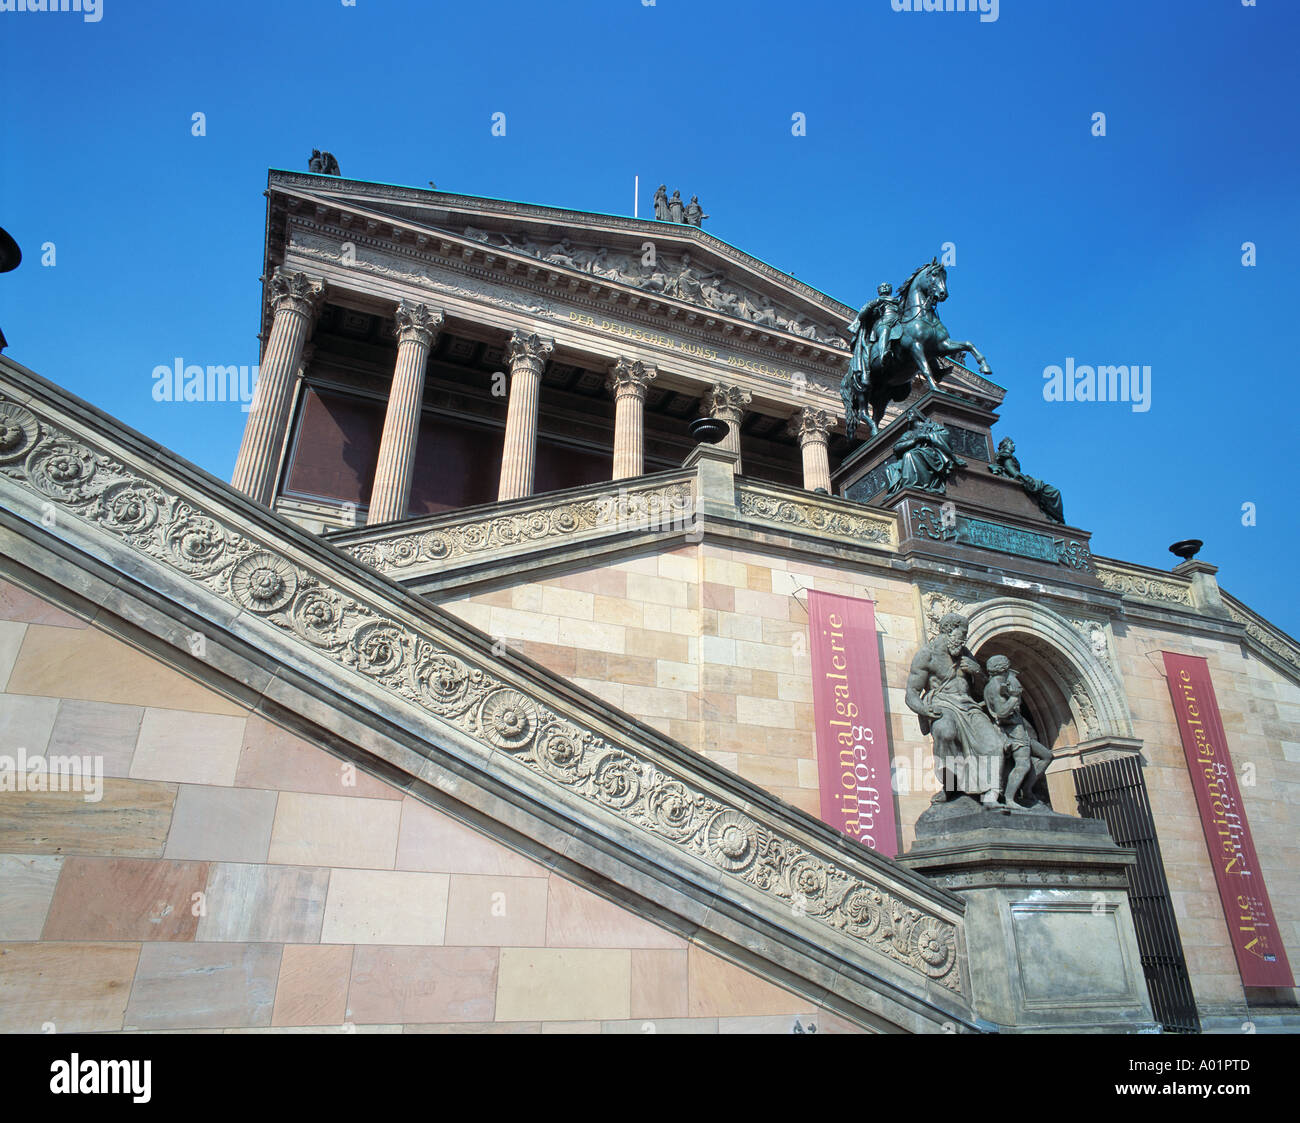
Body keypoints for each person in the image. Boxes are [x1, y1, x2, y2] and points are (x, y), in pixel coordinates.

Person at [905, 613, 1006, 808]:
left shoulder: (965, 653)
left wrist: (977, 672)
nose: (965, 637)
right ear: (949, 630)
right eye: (963, 633)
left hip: (969, 706)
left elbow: (983, 691)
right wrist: (924, 710)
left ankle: (991, 794)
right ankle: (950, 786)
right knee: (945, 731)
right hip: (943, 703)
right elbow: (911, 692)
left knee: (993, 743)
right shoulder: (927, 655)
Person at [983, 655, 1053, 808]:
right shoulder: (995, 685)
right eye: (1007, 666)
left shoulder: (1000, 683)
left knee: (1046, 756)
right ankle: (1009, 799)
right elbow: (1001, 712)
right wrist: (1014, 698)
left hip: (1019, 730)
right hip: (1013, 732)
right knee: (1023, 765)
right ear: (1003, 668)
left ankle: (1026, 790)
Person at [885, 413, 966, 495]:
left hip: (932, 452)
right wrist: (915, 440)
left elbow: (944, 435)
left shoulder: (931, 426)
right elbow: (897, 447)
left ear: (918, 414)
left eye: (911, 412)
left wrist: (927, 436)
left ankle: (914, 485)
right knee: (891, 468)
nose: (908, 414)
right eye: (907, 413)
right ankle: (897, 494)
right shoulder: (909, 433)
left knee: (910, 455)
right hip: (920, 453)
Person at [989, 437, 1065, 523]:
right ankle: (1056, 519)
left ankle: (1053, 518)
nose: (1014, 445)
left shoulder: (1007, 456)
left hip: (1023, 479)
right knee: (1054, 492)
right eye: (1011, 443)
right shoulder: (1006, 455)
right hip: (1023, 480)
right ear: (1005, 445)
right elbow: (1014, 473)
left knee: (1052, 492)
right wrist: (1027, 480)